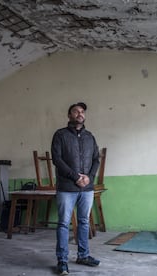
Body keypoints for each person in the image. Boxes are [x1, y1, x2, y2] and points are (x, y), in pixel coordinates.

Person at [51, 102, 100, 275]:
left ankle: (83, 255)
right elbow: (57, 159)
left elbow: (96, 159)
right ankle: (62, 261)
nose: (80, 114)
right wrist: (76, 177)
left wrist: (89, 177)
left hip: (86, 187)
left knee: (84, 222)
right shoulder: (60, 135)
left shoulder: (90, 137)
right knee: (64, 223)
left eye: (82, 111)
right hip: (66, 187)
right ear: (69, 115)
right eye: (76, 111)